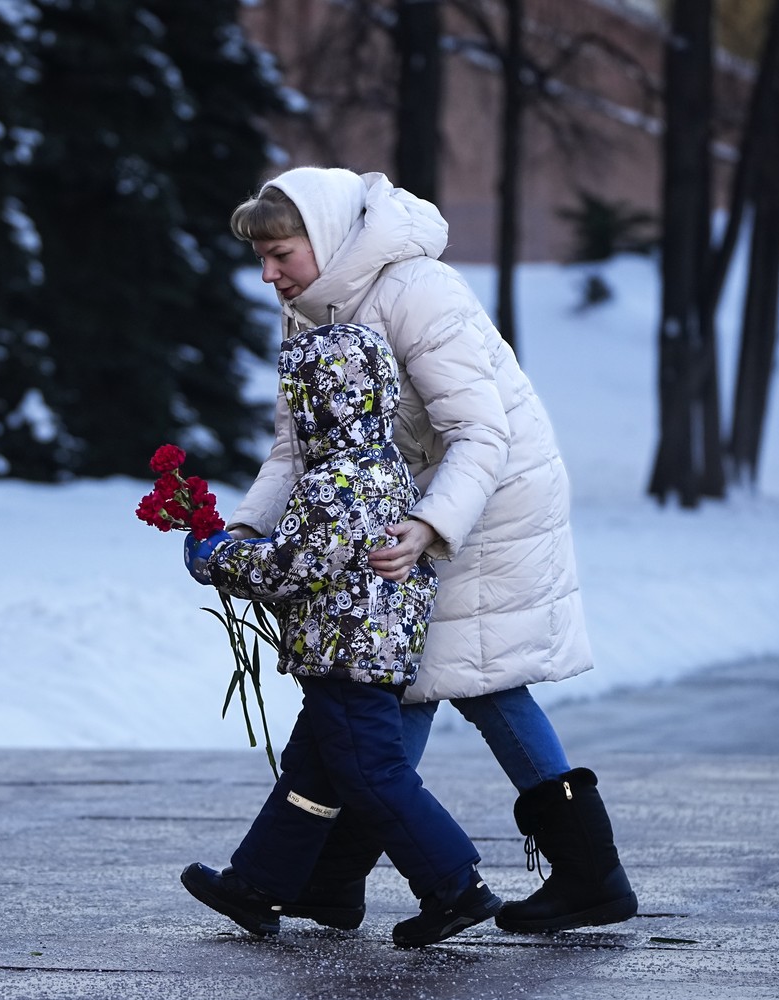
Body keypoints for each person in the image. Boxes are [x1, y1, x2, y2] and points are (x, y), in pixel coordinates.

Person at [221, 166, 637, 935]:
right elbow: (294, 452)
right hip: (404, 502)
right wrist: (245, 530)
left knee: (464, 678)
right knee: (402, 681)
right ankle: (342, 879)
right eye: (261, 259)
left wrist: (430, 527)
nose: (269, 274)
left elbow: (482, 432)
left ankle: (572, 876)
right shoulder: (307, 312)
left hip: (488, 492)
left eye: (280, 254)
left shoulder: (416, 289)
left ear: (327, 236)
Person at [178, 321, 504, 949]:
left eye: (297, 396)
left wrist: (213, 556)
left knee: (374, 773)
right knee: (312, 772)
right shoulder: (382, 471)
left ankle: (454, 885)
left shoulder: (335, 483)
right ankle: (259, 882)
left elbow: (290, 567)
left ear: (316, 400)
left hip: (348, 657)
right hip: (364, 651)